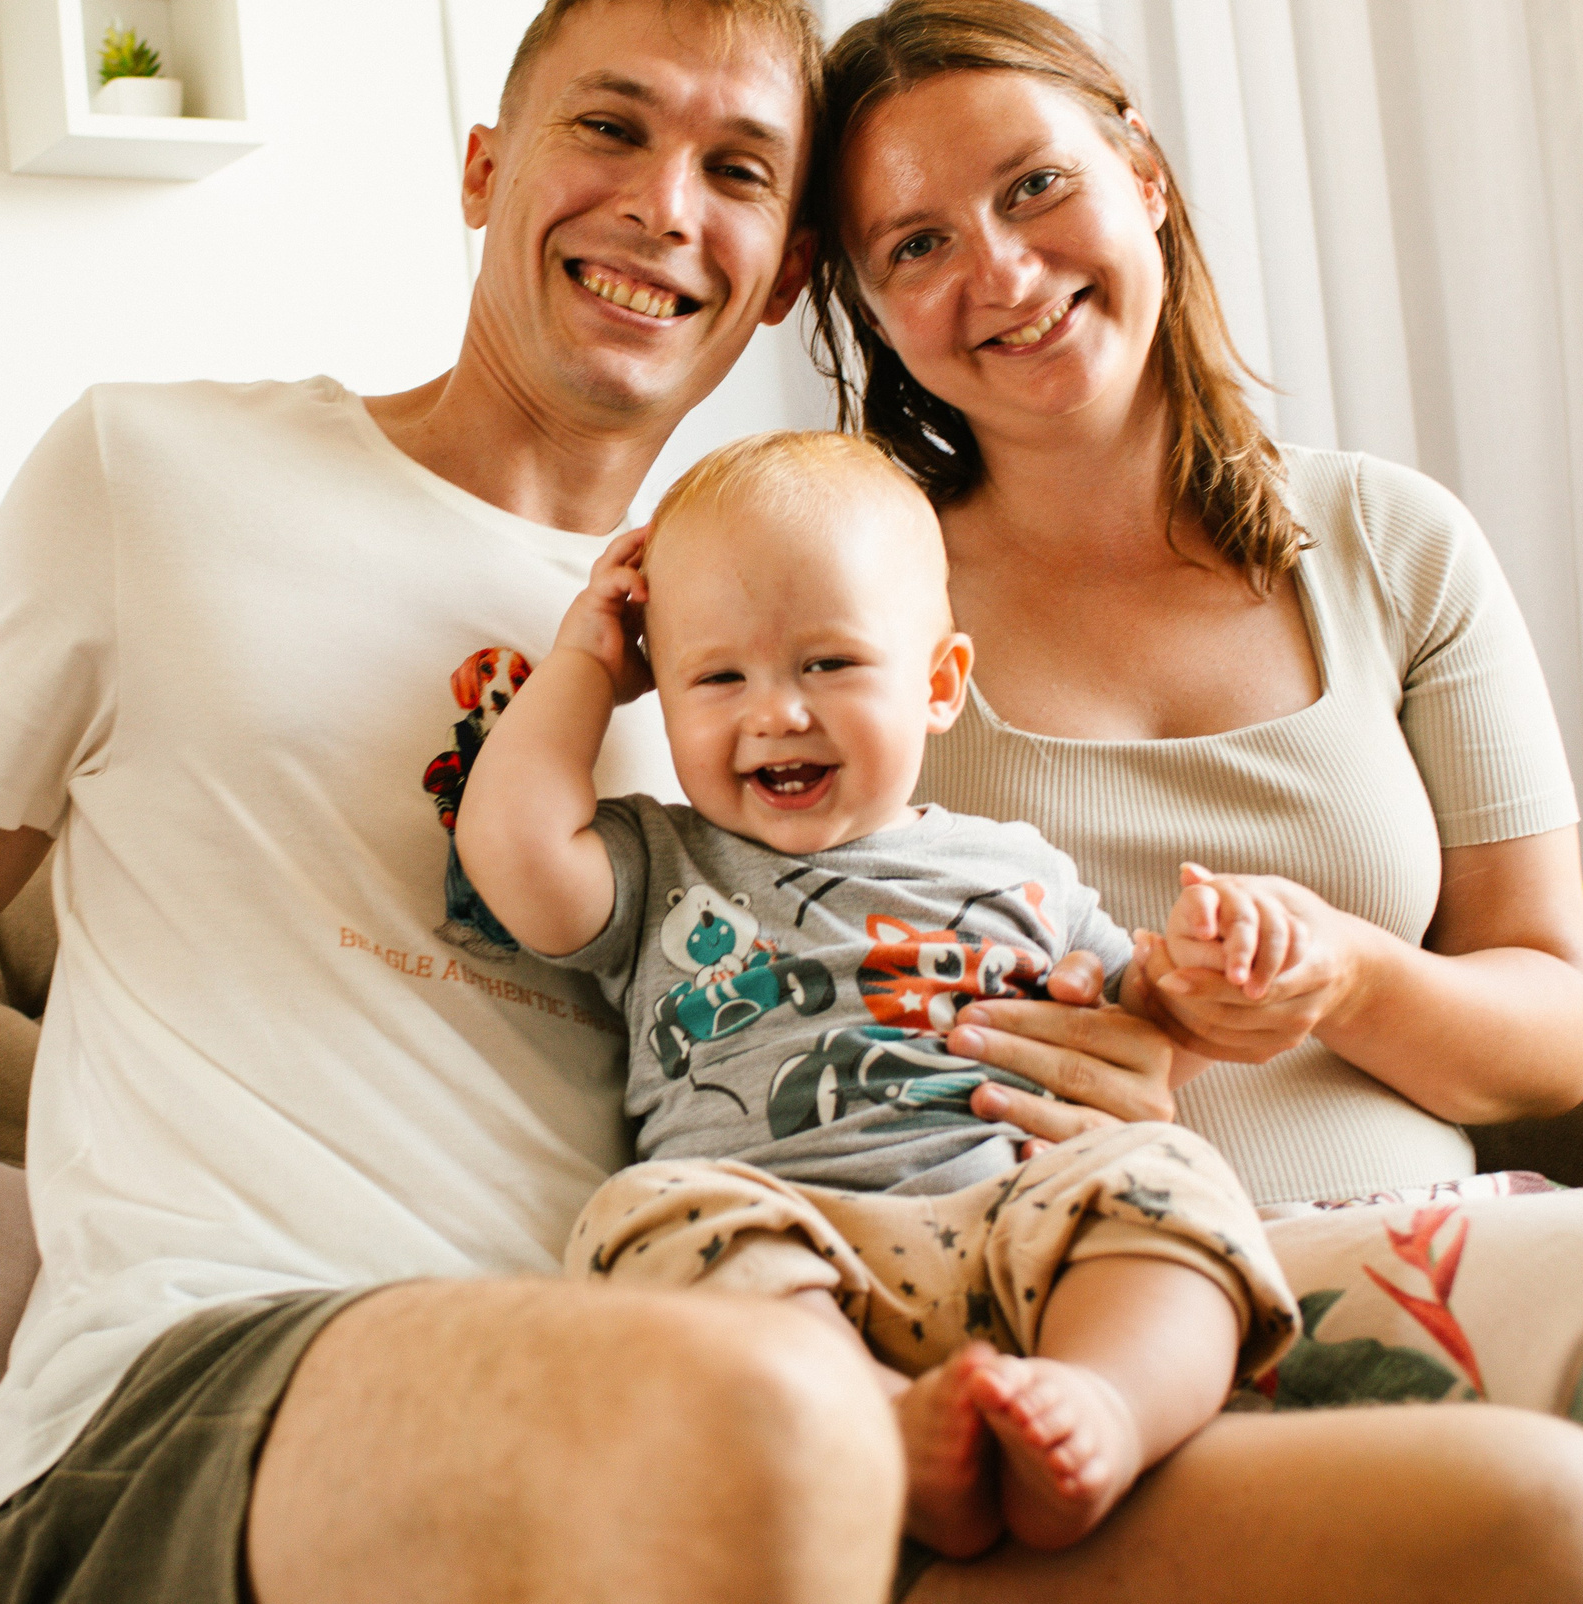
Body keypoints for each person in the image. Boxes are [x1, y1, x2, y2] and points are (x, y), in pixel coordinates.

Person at [0, 0, 1583, 1604]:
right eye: (606, 130)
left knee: (1549, 1534)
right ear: (484, 173)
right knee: (757, 1424)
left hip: (798, 1396)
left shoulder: (773, 621)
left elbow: (946, 971)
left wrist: (1109, 1059)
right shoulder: (161, 471)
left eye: (739, 173)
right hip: (246, 1380)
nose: (662, 205)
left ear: (779, 279)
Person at [805, 0, 1583, 1586]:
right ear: (869, 308)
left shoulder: (1391, 541)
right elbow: (767, 996)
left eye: (1036, 185)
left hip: (1441, 1234)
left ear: (1144, 178)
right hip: (1099, 1316)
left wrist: (1347, 979)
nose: (1000, 271)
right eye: (917, 243)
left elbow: (1553, 1027)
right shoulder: (853, 611)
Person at [456, 427, 1302, 1558]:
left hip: (1018, 1227)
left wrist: (1198, 968)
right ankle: (882, 1423)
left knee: (1169, 1175)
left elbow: (1139, 1032)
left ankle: (1103, 1401)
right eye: (717, 677)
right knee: (640, 1214)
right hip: (787, 1247)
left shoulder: (1015, 866)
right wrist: (584, 668)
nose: (776, 713)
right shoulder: (661, 862)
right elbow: (509, 847)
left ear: (939, 684)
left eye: (829, 664)